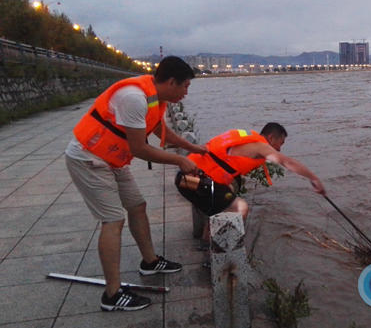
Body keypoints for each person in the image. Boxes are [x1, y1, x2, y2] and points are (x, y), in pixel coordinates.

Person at [65, 56, 206, 312]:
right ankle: (112, 294)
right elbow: (139, 149)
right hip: (88, 158)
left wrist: (192, 147)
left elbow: (160, 132)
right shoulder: (134, 97)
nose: (186, 93)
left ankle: (150, 262)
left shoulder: (155, 97)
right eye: (185, 86)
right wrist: (179, 161)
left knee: (137, 206)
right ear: (171, 82)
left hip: (113, 159)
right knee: (113, 220)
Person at [175, 122, 326, 243]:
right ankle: (222, 253)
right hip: (192, 181)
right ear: (271, 137)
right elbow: (288, 163)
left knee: (224, 201)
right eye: (281, 143)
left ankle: (206, 242)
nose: (280, 148)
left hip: (185, 179)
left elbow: (222, 163)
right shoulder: (260, 146)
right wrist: (314, 178)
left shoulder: (245, 140)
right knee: (240, 208)